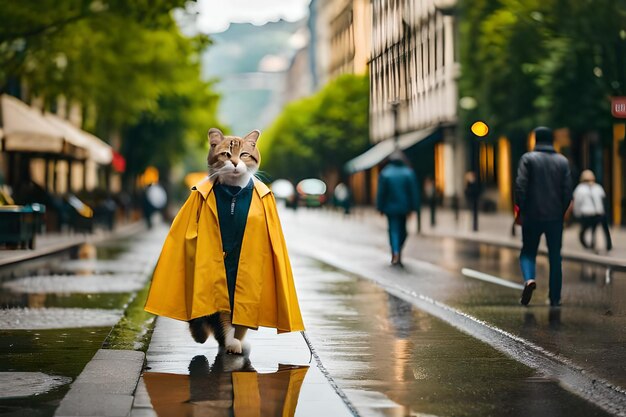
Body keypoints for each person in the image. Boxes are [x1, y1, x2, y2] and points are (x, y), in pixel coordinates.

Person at [515, 126, 572, 307]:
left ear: (535, 139)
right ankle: (555, 297)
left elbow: (520, 186)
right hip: (555, 217)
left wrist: (521, 210)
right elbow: (567, 192)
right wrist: (561, 212)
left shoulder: (528, 159)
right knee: (555, 256)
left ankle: (529, 279)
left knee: (528, 252)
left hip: (532, 215)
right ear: (552, 140)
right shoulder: (562, 161)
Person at [376, 150, 420, 267]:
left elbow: (381, 193)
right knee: (403, 231)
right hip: (404, 208)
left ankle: (395, 251)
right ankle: (397, 251)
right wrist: (414, 208)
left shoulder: (385, 173)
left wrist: (380, 207)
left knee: (393, 231)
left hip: (390, 208)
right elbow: (413, 192)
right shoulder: (408, 173)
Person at [573, 169, 612, 252]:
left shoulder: (580, 189)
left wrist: (577, 213)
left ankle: (593, 244)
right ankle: (605, 245)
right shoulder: (597, 187)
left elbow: (577, 203)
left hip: (589, 213)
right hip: (597, 212)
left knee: (586, 230)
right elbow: (603, 199)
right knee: (600, 229)